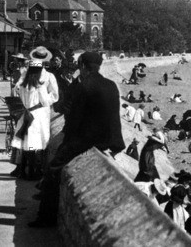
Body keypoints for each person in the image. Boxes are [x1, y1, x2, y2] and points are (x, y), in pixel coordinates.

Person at [28, 52, 125, 228]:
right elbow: (114, 118)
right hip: (110, 139)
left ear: (82, 66)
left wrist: (68, 141)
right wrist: (116, 142)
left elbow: (74, 120)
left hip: (87, 139)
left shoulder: (84, 86)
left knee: (54, 167)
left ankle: (45, 217)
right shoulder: (111, 85)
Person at [11, 46, 59, 180]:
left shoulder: (25, 77)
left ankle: (26, 170)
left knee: (28, 143)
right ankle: (34, 172)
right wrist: (45, 98)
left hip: (27, 112)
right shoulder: (48, 77)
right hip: (39, 114)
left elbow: (18, 89)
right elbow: (53, 97)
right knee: (38, 143)